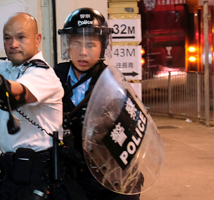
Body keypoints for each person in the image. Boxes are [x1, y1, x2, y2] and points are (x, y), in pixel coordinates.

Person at [0, 12, 86, 200]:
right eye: (7, 38)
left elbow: (16, 94)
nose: (13, 44)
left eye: (21, 37)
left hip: (39, 177)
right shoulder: (6, 67)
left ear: (37, 39)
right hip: (12, 172)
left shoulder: (43, 74)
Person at [54, 8, 140, 200]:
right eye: (76, 44)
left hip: (104, 173)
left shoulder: (112, 82)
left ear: (103, 46)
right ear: (68, 45)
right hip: (67, 174)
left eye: (91, 45)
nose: (83, 52)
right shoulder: (53, 77)